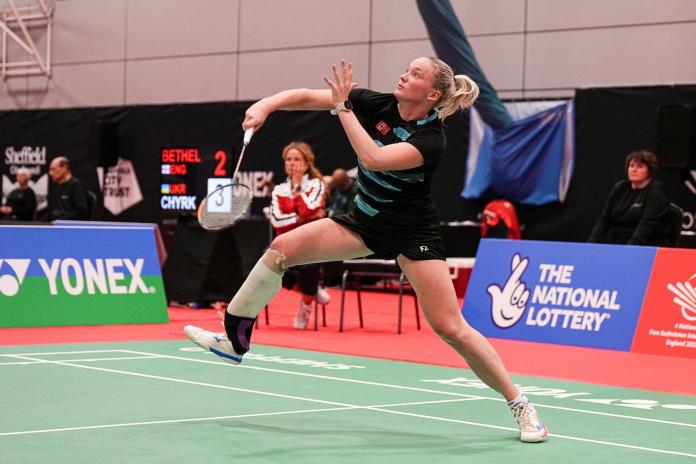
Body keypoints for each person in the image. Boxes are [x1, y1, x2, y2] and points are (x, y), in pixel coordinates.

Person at [185, 57, 548, 442]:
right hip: (361, 223)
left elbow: (375, 159)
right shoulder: (378, 103)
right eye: (407, 69)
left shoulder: (431, 139)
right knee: (280, 249)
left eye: (415, 74)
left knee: (450, 326)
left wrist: (342, 108)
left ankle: (521, 405)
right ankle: (235, 340)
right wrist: (267, 105)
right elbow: (308, 96)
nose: (404, 75)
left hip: (412, 233)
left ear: (433, 94)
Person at [270, 141, 331, 329]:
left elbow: (307, 210)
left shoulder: (316, 185)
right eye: (288, 159)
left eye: (297, 159)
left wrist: (297, 188)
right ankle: (311, 292)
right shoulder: (279, 189)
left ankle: (305, 306)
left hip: (312, 243)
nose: (292, 163)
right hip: (286, 243)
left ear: (306, 163)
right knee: (269, 267)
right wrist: (305, 216)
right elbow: (277, 221)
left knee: (310, 268)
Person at [588, 150, 671, 246]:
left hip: (648, 247)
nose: (634, 170)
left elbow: (645, 227)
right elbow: (604, 220)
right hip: (619, 245)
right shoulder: (620, 188)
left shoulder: (656, 192)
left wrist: (628, 252)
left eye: (640, 166)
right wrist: (590, 246)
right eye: (631, 166)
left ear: (650, 170)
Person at [39, 156, 91, 221]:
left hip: (70, 228)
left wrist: (61, 219)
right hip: (57, 227)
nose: (50, 173)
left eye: (53, 169)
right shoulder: (57, 189)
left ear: (64, 167)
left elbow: (82, 212)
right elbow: (52, 213)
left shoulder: (77, 186)